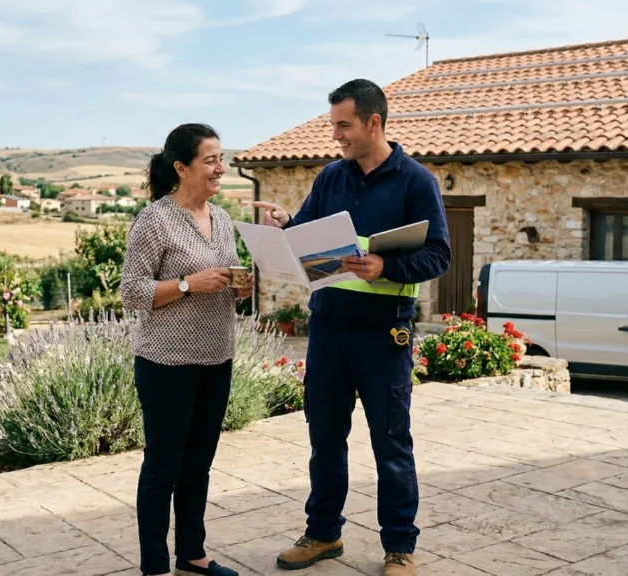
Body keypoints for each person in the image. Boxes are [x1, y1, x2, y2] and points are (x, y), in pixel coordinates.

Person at [251, 79, 451, 576]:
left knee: (391, 443)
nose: (336, 135)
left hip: (385, 335)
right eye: (333, 125)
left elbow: (439, 254)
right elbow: (313, 238)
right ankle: (323, 534)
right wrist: (286, 225)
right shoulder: (330, 177)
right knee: (324, 439)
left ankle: (400, 548)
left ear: (373, 122)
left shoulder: (416, 182)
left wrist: (386, 267)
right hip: (329, 330)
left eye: (344, 125)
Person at [120, 123, 252, 576]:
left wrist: (239, 288)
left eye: (222, 158)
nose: (220, 168)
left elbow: (221, 280)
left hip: (218, 357)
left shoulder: (224, 219)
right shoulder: (153, 220)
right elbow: (132, 292)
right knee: (163, 467)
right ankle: (155, 564)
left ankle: (192, 555)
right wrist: (186, 285)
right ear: (181, 167)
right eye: (210, 160)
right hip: (166, 364)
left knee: (199, 464)